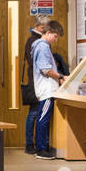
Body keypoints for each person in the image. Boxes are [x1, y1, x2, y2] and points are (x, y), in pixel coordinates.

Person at [31, 19, 65, 159]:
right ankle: (41, 149)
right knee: (43, 119)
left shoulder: (39, 45)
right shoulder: (43, 46)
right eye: (55, 37)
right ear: (48, 32)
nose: (55, 40)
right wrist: (61, 76)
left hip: (46, 88)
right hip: (46, 89)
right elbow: (46, 69)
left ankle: (42, 146)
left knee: (43, 118)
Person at [22, 18, 48, 153]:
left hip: (35, 80)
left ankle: (31, 144)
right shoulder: (35, 41)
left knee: (34, 112)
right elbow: (36, 62)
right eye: (45, 27)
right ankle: (29, 144)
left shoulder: (32, 40)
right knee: (33, 112)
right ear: (40, 26)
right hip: (36, 81)